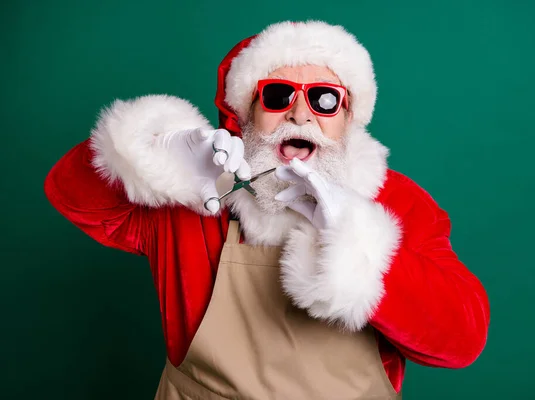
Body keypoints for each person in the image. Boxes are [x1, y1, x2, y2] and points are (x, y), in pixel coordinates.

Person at [44, 20, 490, 399]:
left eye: (324, 98)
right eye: (277, 95)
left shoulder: (394, 200)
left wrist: (362, 250)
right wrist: (152, 157)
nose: (300, 115)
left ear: (348, 115)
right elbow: (69, 194)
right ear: (246, 113)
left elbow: (462, 339)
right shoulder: (196, 199)